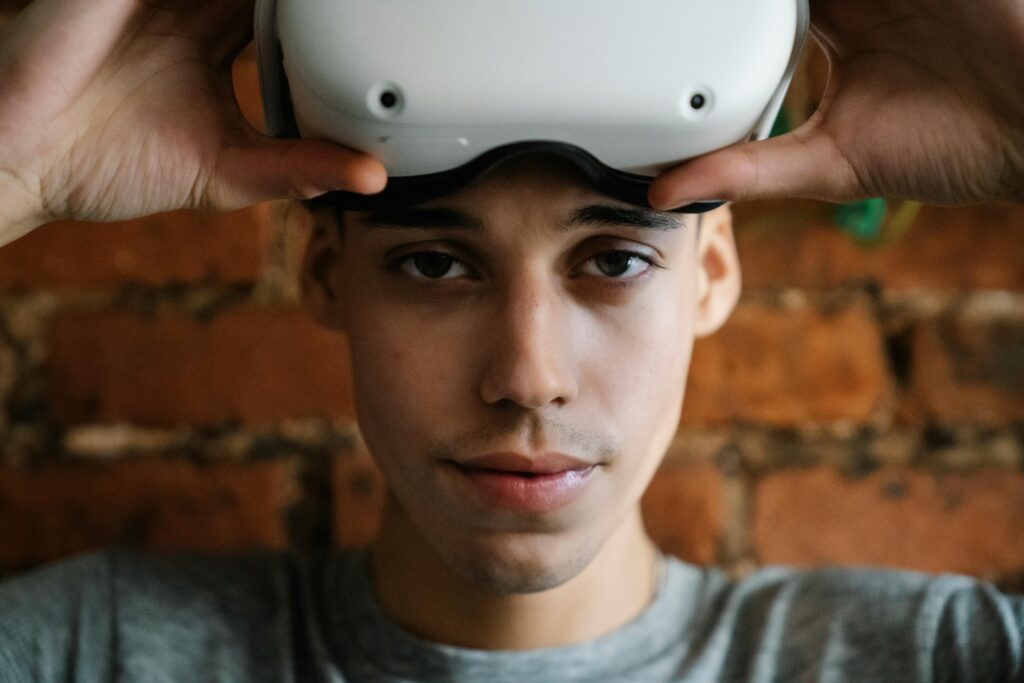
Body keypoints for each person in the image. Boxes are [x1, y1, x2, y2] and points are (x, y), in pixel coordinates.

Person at [0, 0, 1022, 681]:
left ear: (710, 274)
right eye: (436, 265)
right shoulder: (89, 649)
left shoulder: (936, 656)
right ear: (324, 274)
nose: (527, 378)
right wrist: (12, 169)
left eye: (613, 261)